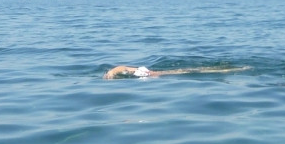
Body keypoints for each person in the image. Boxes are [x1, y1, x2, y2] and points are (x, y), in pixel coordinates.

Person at [104, 63, 247, 79]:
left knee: (195, 71)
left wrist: (111, 73)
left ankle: (237, 69)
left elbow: (122, 67)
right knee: (198, 71)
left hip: (159, 73)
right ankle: (236, 69)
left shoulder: (121, 71)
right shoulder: (125, 73)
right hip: (157, 74)